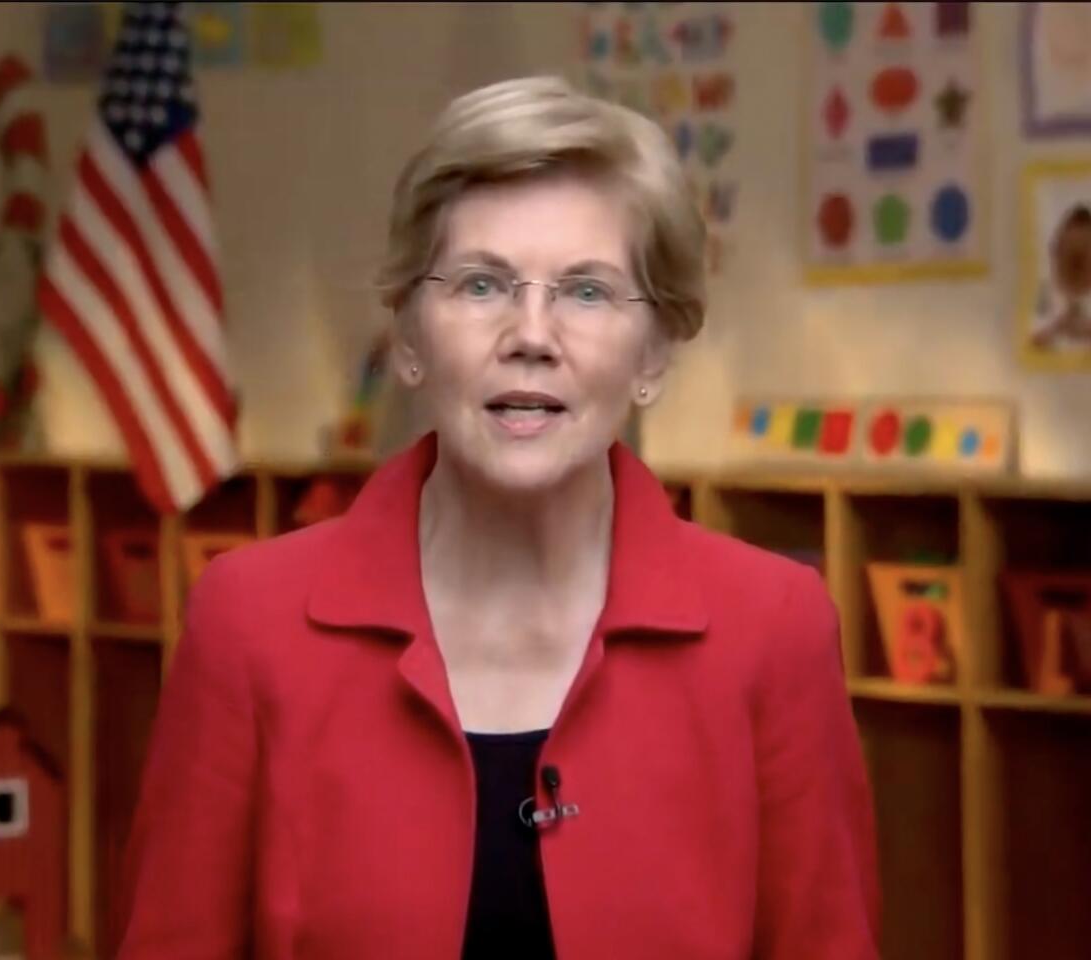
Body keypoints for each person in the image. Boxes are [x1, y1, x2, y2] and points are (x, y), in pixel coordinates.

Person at [114, 75, 880, 959]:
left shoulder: (773, 631)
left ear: (656, 353)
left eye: (587, 293)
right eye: (482, 285)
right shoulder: (249, 621)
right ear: (407, 335)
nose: (531, 333)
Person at [1030, 204, 1091, 353]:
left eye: (1085, 250)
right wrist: (1054, 331)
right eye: (1070, 250)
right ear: (1055, 252)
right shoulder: (1033, 304)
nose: (1077, 262)